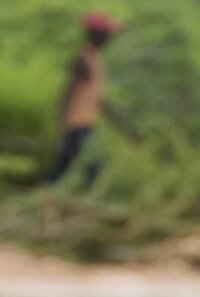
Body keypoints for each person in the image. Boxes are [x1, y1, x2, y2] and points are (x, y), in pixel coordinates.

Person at [49, 11, 119, 184]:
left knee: (64, 166)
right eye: (107, 34)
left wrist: (122, 124)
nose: (109, 38)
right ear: (97, 34)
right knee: (94, 166)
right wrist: (63, 125)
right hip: (77, 124)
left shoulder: (95, 59)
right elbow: (68, 91)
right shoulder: (83, 59)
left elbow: (97, 98)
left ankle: (46, 194)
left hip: (85, 123)